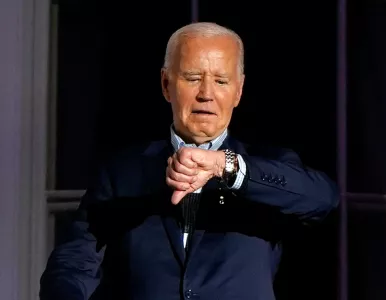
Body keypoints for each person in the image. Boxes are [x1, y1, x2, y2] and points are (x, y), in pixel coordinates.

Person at [40, 22, 339, 300]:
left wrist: (226, 166)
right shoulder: (123, 173)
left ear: (239, 91)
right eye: (193, 78)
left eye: (221, 81)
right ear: (166, 84)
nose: (206, 94)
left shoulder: (269, 165)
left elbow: (323, 198)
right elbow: (73, 262)